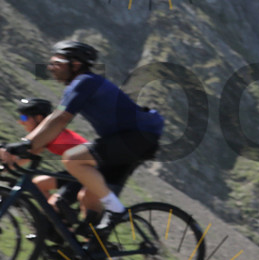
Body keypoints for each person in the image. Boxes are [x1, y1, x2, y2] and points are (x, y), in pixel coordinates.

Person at [2, 41, 164, 231]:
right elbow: (54, 120)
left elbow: (60, 118)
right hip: (130, 141)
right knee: (88, 197)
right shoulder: (80, 84)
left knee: (72, 159)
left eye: (57, 63)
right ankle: (94, 244)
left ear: (76, 64)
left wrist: (26, 143)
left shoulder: (85, 81)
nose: (50, 67)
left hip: (136, 136)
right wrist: (25, 146)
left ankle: (115, 211)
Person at [8, 97, 89, 212]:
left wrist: (5, 166)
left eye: (24, 117)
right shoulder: (49, 132)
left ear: (39, 118)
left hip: (91, 170)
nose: (20, 122)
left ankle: (61, 219)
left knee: (56, 204)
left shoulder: (47, 134)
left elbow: (23, 158)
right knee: (38, 184)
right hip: (79, 169)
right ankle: (59, 218)